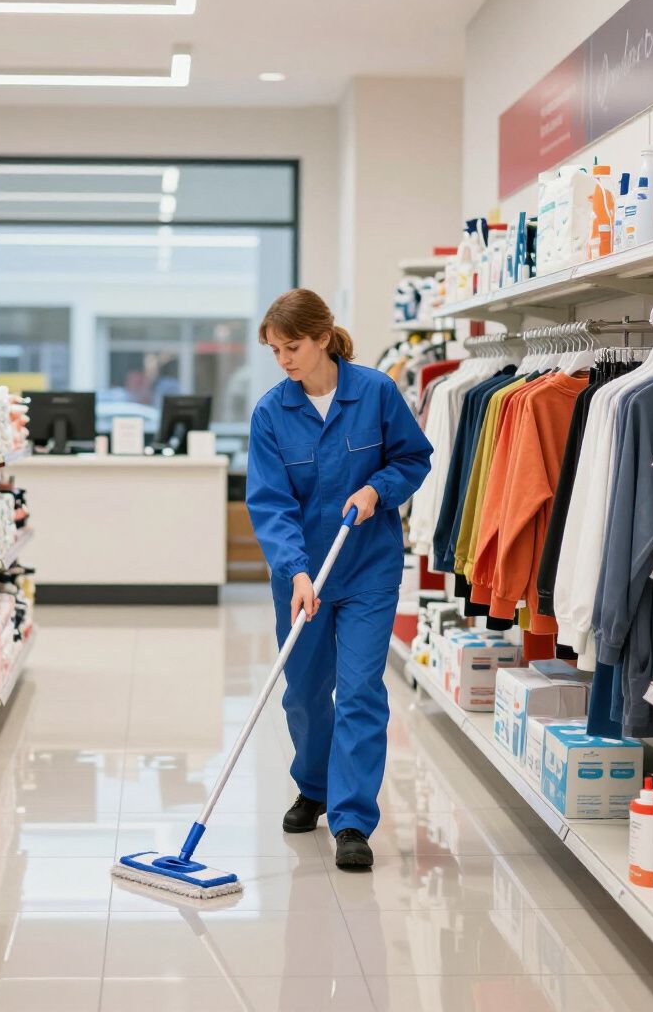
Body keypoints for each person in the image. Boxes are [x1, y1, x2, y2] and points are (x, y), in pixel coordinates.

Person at [246, 288, 432, 870]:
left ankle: (352, 818)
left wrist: (380, 489)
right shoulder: (272, 412)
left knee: (359, 692)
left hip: (367, 570)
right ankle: (315, 786)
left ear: (323, 337)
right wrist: (295, 571)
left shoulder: (375, 392)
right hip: (301, 578)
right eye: (275, 350)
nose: (284, 360)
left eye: (292, 346)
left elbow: (413, 458)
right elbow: (271, 502)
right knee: (303, 693)